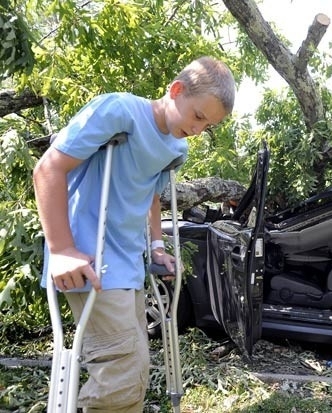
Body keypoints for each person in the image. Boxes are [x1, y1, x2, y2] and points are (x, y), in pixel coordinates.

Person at [33, 56, 236, 412]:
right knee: (124, 368)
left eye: (208, 125)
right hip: (88, 257)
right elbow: (49, 167)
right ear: (176, 91)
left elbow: (152, 196)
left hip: (129, 263)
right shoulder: (119, 110)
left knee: (132, 358)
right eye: (198, 116)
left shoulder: (177, 147)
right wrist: (62, 249)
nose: (198, 129)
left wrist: (157, 246)